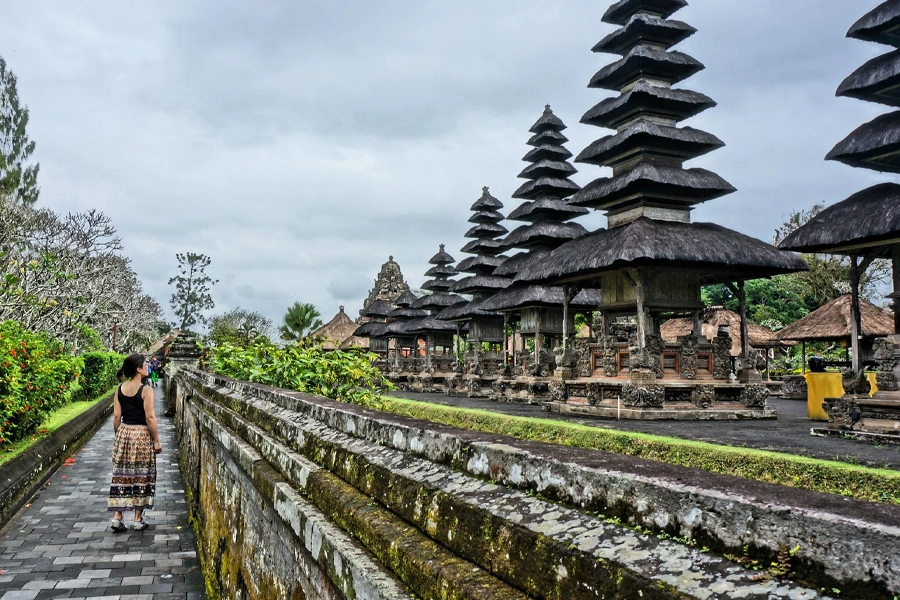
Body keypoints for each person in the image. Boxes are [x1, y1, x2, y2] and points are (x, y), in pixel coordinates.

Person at [108, 354, 162, 532]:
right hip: (141, 435)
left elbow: (117, 416)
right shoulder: (145, 390)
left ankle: (117, 516)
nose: (147, 366)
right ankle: (138, 519)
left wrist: (119, 436)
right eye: (145, 364)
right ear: (138, 369)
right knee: (141, 474)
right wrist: (156, 440)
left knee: (122, 474)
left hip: (124, 431)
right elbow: (150, 417)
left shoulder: (120, 389)